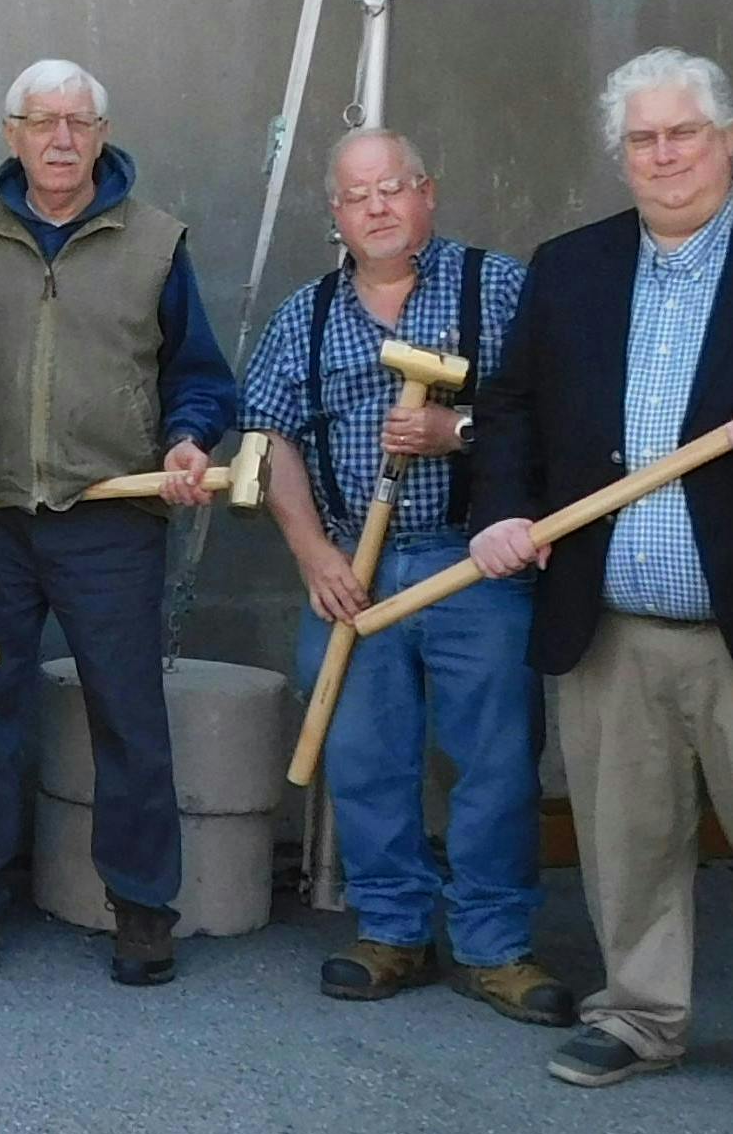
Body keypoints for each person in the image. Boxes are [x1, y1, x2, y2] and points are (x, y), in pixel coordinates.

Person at [241, 128, 565, 1021]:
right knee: (366, 759)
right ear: (336, 215)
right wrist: (314, 555)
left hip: (477, 565)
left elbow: (555, 416)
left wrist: (454, 432)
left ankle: (497, 945)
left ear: (427, 192)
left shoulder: (495, 288)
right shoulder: (305, 315)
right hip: (356, 568)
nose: (378, 207)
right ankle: (391, 931)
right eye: (358, 195)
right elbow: (272, 441)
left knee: (497, 758)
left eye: (394, 188)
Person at [0, 59, 239, 986]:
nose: (61, 139)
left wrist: (188, 439)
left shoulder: (155, 241)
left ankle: (144, 908)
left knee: (127, 713)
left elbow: (199, 374)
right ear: (11, 132)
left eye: (79, 122)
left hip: (112, 520)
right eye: (43, 121)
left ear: (102, 135)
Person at [470, 47, 733, 1089]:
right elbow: (511, 413)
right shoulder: (570, 266)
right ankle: (638, 1013)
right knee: (626, 837)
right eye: (642, 138)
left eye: (684, 133)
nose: (664, 154)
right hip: (610, 616)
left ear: (722, 141)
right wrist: (501, 511)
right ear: (619, 155)